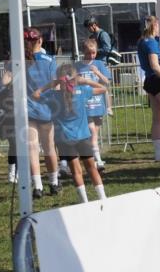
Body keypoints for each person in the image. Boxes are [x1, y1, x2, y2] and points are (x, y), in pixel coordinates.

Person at [34, 62, 107, 203]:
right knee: (91, 168)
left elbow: (36, 94)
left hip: (64, 138)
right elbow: (103, 88)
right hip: (83, 136)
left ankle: (84, 200)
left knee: (76, 171)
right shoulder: (82, 91)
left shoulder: (53, 95)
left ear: (59, 79)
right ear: (75, 78)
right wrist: (85, 80)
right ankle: (102, 197)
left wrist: (50, 84)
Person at [24, 28, 60, 197]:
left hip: (28, 109)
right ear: (40, 40)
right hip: (46, 109)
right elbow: (56, 84)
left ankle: (38, 186)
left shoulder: (21, 60)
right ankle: (54, 183)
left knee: (32, 148)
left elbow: (7, 81)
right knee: (49, 148)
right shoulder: (50, 60)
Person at [136, 15, 160, 162]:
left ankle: (159, 153)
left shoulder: (142, 41)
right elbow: (155, 66)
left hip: (149, 80)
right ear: (155, 25)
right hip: (157, 80)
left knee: (158, 117)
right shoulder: (151, 42)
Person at [75, 37, 111, 170]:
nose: (91, 55)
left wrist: (97, 72)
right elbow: (72, 82)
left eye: (93, 53)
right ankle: (98, 160)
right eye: (88, 52)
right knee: (91, 131)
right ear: (83, 51)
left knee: (94, 132)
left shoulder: (99, 64)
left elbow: (107, 82)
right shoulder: (77, 66)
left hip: (98, 104)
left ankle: (90, 157)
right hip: (85, 105)